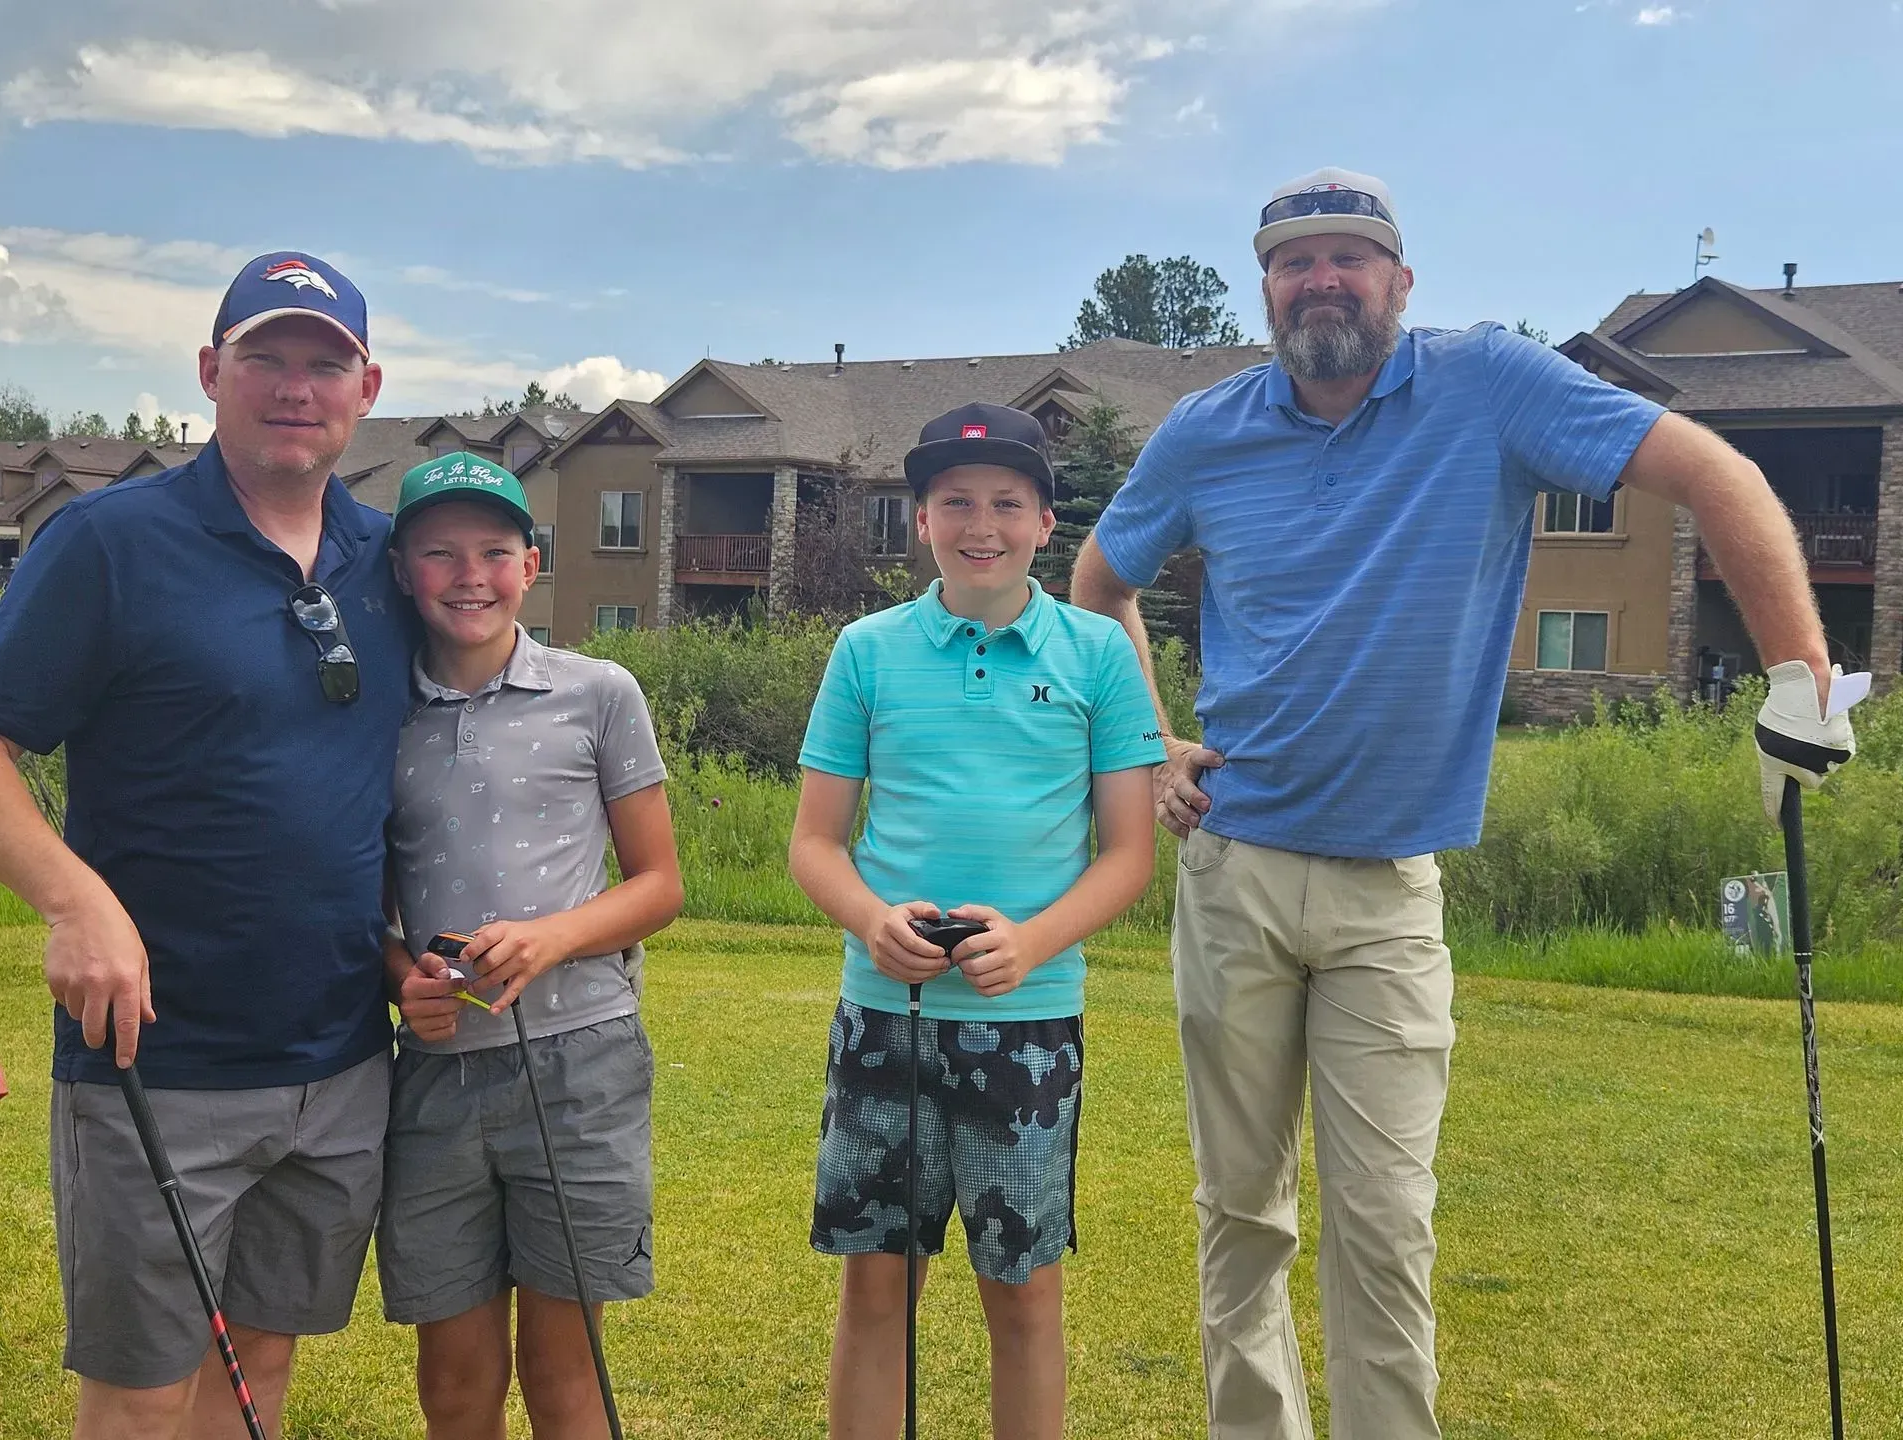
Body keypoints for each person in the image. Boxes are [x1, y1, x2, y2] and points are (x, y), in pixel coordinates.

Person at [1069, 167, 1858, 1440]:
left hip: (1390, 891)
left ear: (1401, 280)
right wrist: (1152, 743)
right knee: (1242, 1219)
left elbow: (1720, 477)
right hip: (1236, 873)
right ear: (1266, 286)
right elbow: (1096, 584)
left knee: (1383, 1225)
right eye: (1294, 260)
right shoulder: (1206, 432)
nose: (1322, 280)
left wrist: (1799, 683)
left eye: (1351, 257)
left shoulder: (1489, 383)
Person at [0, 252, 419, 1438]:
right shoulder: (109, 545)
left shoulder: (389, 562)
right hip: (155, 1063)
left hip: (338, 1058)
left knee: (256, 1375)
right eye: (263, 357)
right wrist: (77, 905)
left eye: (323, 362)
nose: (294, 385)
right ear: (208, 373)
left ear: (366, 386)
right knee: (142, 1393)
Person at [788, 403, 1164, 1440]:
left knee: (1026, 1295)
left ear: (1049, 524)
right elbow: (815, 843)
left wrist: (1032, 941)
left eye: (1007, 502)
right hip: (884, 1017)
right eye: (956, 502)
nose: (980, 523)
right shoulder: (867, 651)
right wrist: (871, 918)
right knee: (876, 1291)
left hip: (1030, 1024)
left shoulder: (1097, 654)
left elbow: (1130, 853)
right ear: (920, 521)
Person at [375, 453, 683, 1438]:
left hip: (581, 1065)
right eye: (440, 553)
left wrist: (550, 939)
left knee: (566, 1378)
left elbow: (659, 886)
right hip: (436, 1076)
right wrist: (402, 982)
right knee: (457, 1386)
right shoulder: (373, 719)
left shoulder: (598, 693)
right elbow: (371, 911)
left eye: (495, 552)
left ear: (533, 564)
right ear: (400, 571)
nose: (470, 573)